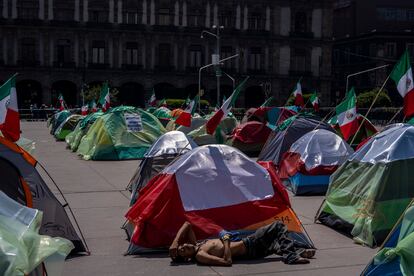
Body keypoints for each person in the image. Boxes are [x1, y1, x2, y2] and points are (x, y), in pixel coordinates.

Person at [169, 221, 315, 266]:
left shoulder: (198, 244)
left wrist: (175, 243)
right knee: (278, 226)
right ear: (188, 258)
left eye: (182, 246)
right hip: (250, 245)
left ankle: (298, 252)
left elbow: (187, 225)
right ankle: (291, 256)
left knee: (277, 243)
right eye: (183, 251)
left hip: (252, 249)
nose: (184, 246)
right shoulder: (200, 255)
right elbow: (226, 262)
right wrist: (226, 241)